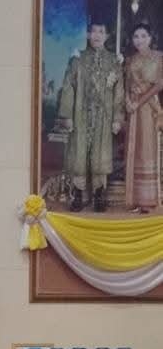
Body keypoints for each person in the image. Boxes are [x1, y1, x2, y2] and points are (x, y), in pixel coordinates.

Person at [55, 21, 124, 212]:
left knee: (101, 155)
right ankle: (78, 195)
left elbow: (119, 92)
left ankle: (99, 196)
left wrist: (117, 118)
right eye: (93, 31)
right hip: (81, 115)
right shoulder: (77, 60)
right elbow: (68, 87)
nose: (97, 35)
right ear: (87, 34)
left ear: (107, 36)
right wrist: (67, 115)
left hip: (103, 116)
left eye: (101, 32)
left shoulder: (114, 62)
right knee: (79, 154)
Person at [121, 22, 163, 212]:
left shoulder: (159, 57)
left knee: (148, 149)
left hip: (149, 109)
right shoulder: (130, 60)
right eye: (136, 36)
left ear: (150, 38)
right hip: (134, 111)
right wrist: (128, 102)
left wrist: (139, 102)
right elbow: (126, 84)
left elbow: (159, 85)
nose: (139, 40)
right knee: (134, 150)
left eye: (143, 36)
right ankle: (136, 199)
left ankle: (150, 200)